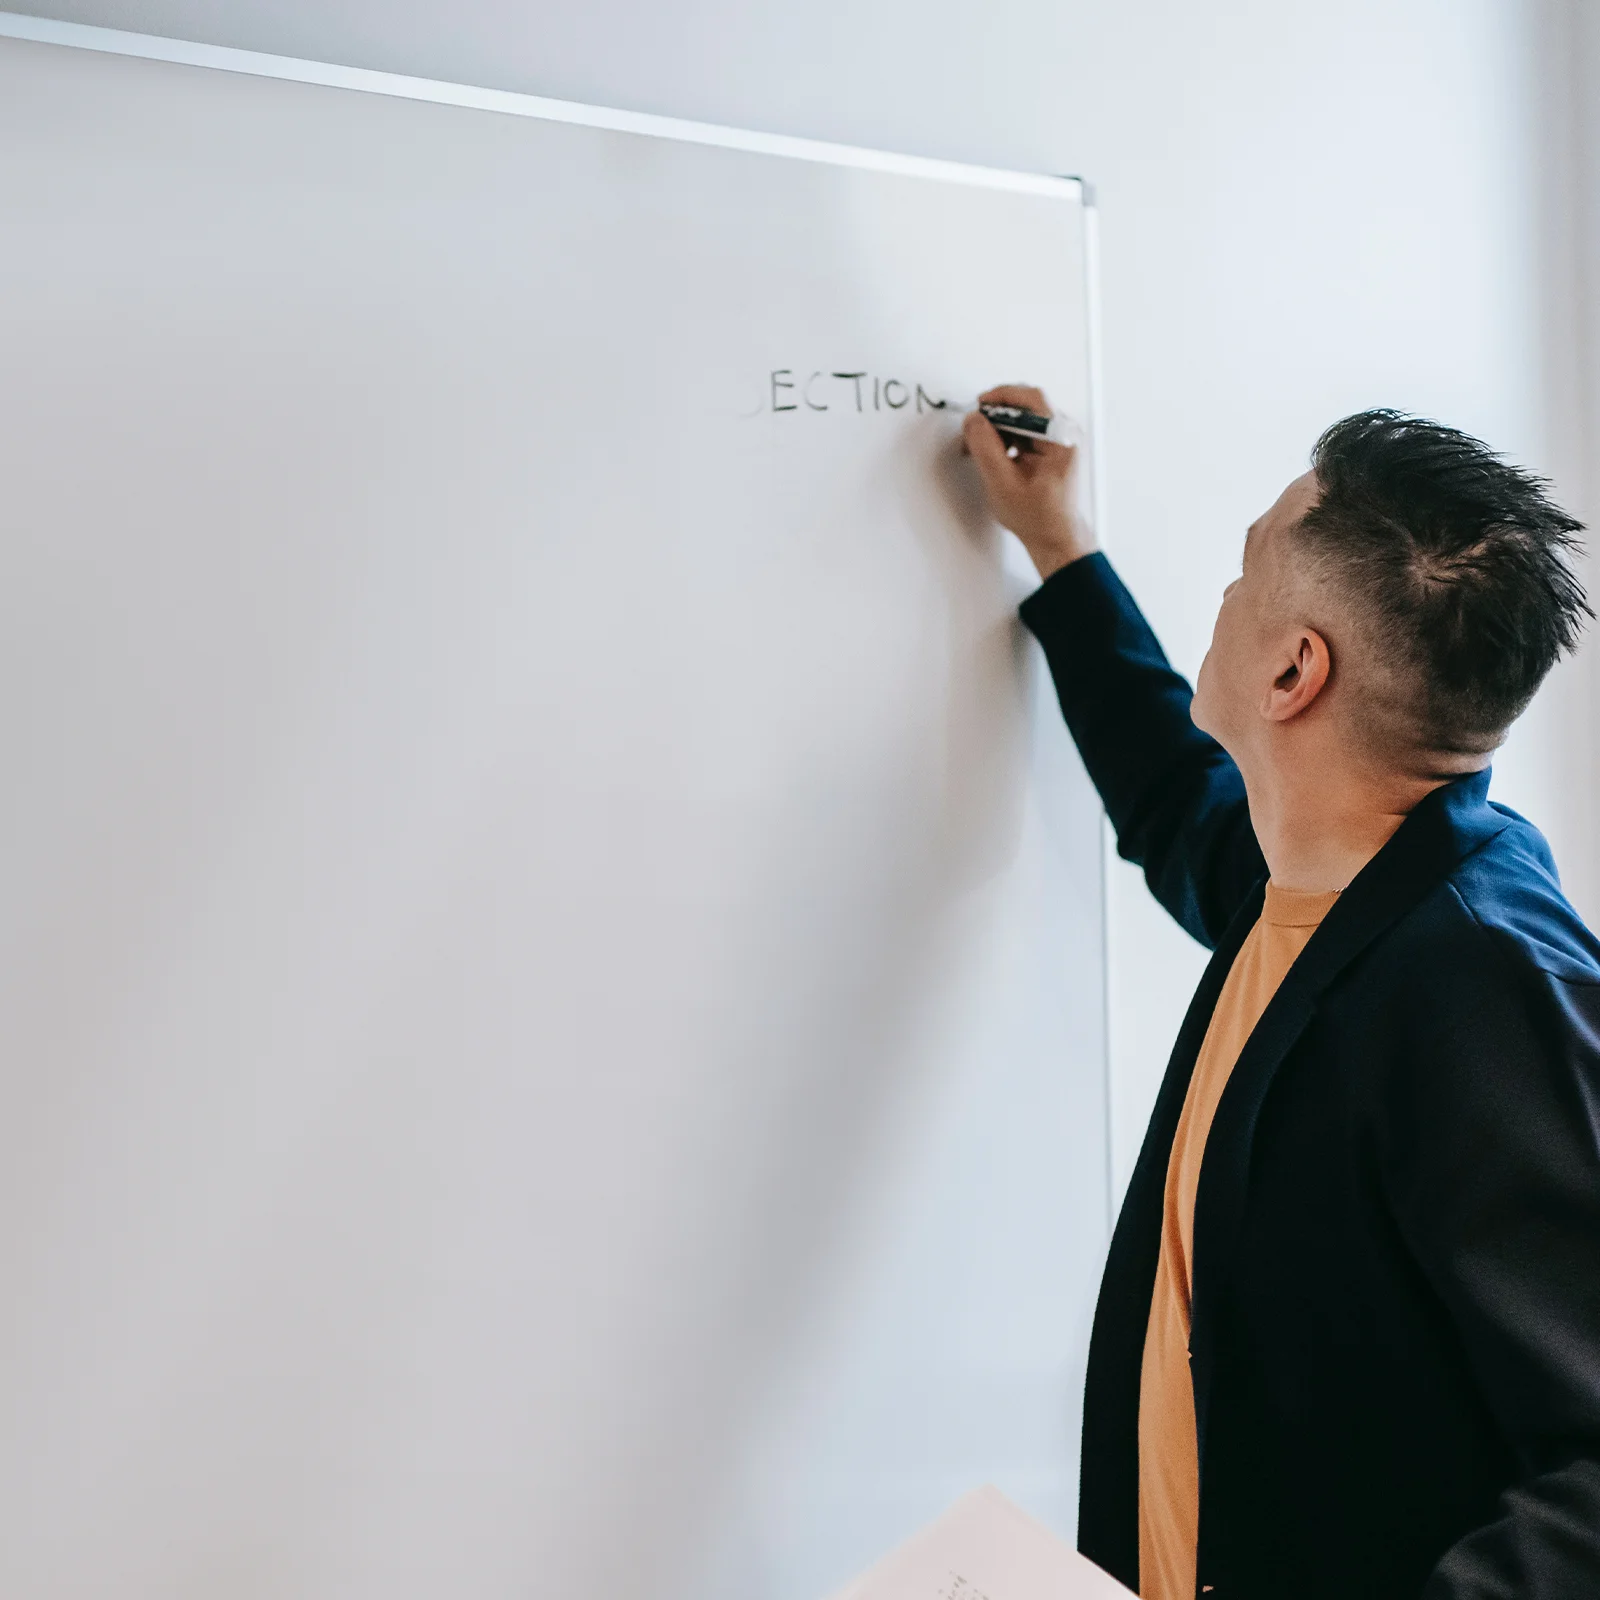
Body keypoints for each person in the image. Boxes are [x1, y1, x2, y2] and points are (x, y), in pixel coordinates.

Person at [962, 389, 1600, 1600]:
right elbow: (1176, 803)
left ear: (1293, 671)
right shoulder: (1322, 876)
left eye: (1245, 568)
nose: (1225, 593)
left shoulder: (1484, 985)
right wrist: (1056, 544)